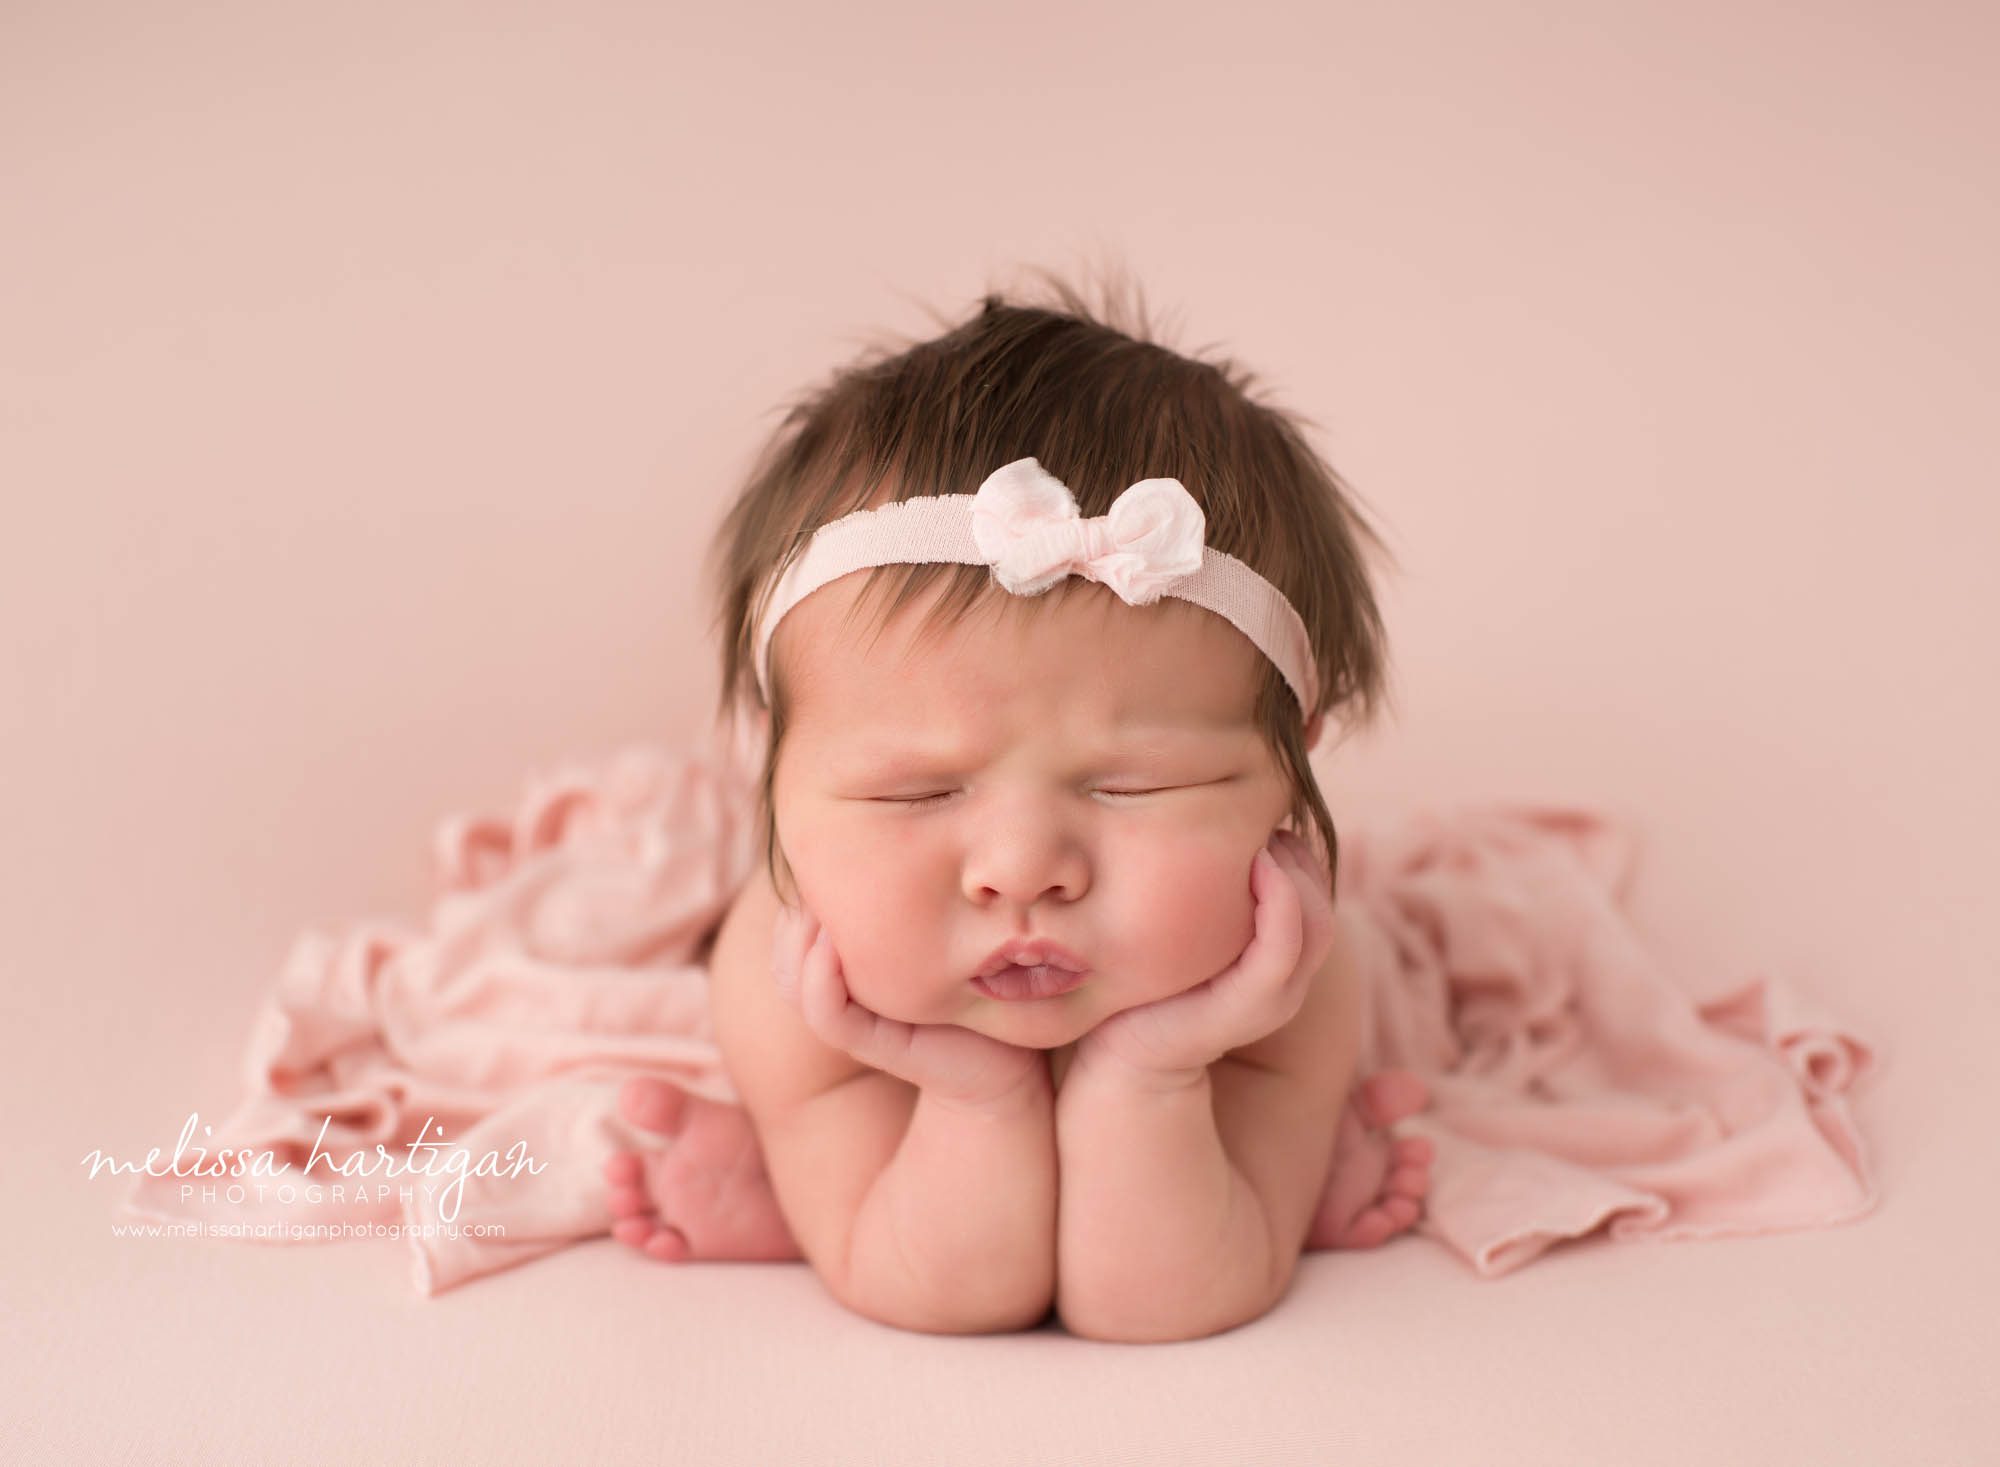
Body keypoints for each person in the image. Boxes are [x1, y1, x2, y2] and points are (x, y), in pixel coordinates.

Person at [599, 269, 1434, 1341]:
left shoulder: (1283, 975)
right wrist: (965, 1092)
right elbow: (943, 1300)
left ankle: (1248, 1172)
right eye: (916, 790)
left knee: (1200, 1214)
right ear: (772, 765)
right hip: (896, 1162)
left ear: (1288, 769)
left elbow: (1160, 1309)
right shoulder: (790, 968)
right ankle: (820, 1180)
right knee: (896, 1215)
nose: (1020, 869)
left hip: (1187, 1135)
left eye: (1129, 786)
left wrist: (1157, 1072)